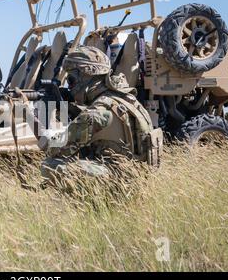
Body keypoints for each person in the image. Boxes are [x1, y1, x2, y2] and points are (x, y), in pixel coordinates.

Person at [29, 46, 164, 184]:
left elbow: (53, 148)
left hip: (122, 183)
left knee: (51, 165)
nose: (69, 87)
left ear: (87, 76)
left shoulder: (98, 112)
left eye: (71, 80)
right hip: (138, 177)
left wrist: (28, 115)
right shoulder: (128, 100)